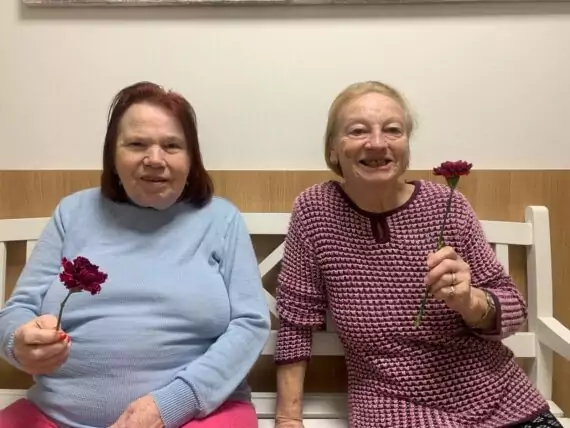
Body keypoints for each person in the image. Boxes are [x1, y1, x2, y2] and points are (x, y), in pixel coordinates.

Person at [272, 81, 562, 428]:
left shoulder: (447, 207)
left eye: (392, 130)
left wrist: (471, 302)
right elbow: (296, 320)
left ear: (406, 146)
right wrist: (288, 418)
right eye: (358, 130)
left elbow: (513, 307)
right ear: (333, 149)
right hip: (393, 406)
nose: (377, 143)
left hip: (499, 398)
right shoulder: (315, 212)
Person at [0, 81, 270, 428]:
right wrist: (18, 342)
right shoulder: (72, 213)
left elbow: (250, 324)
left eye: (172, 146)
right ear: (113, 156)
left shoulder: (222, 220)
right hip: (56, 415)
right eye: (137, 144)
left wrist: (173, 403)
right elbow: (18, 310)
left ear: (191, 159)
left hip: (196, 414)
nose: (154, 159)